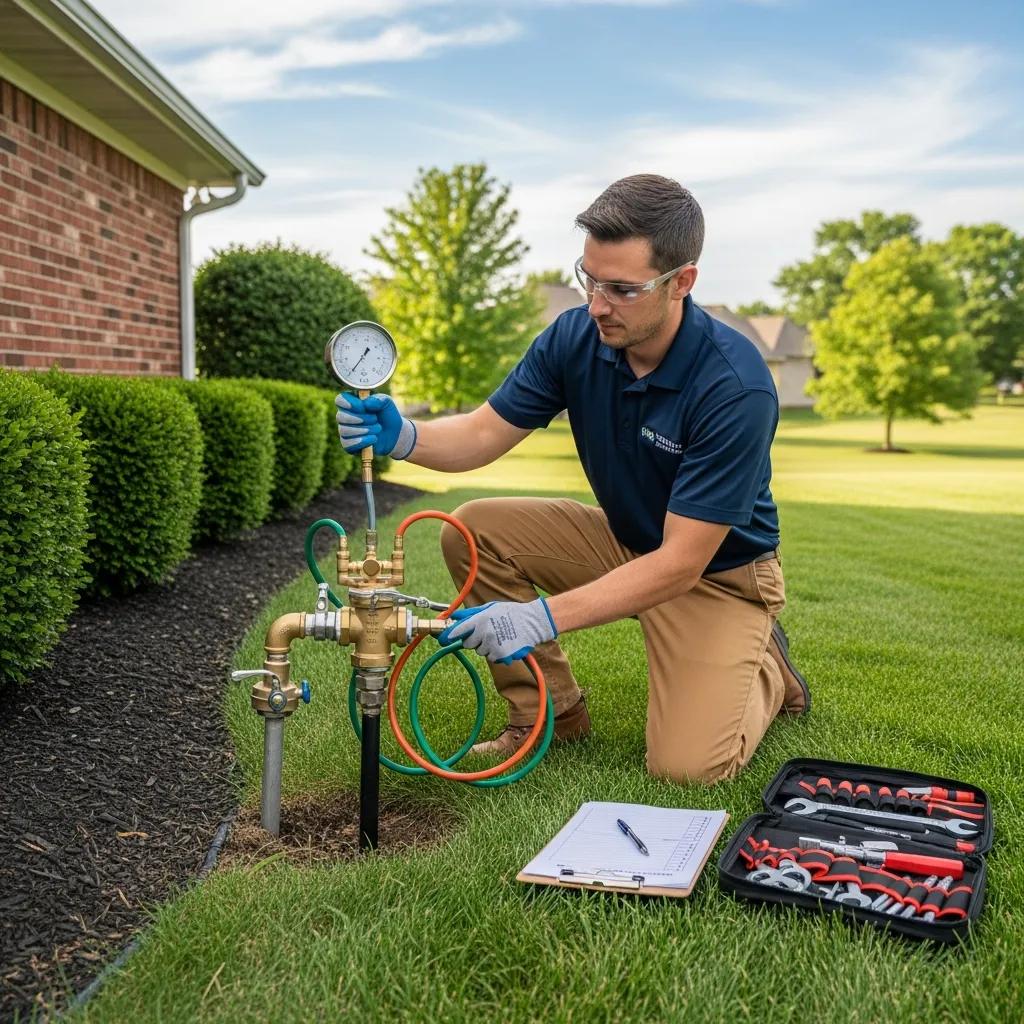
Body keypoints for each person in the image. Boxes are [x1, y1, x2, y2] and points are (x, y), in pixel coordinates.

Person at [336, 173, 810, 784]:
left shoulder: (734, 385)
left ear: (682, 282)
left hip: (717, 575)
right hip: (625, 543)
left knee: (688, 768)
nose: (596, 304)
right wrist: (403, 436)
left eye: (622, 288)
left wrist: (535, 619)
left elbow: (680, 565)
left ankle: (766, 665)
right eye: (589, 278)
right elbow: (484, 433)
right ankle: (550, 714)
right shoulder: (577, 335)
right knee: (474, 530)